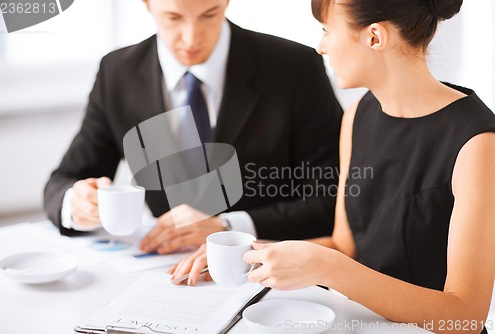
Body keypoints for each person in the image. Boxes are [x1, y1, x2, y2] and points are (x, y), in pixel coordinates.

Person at [172, 0, 495, 332]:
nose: (321, 46)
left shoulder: (477, 141)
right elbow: (345, 246)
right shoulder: (357, 116)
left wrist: (332, 269)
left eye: (327, 30)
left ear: (374, 37)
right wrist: (247, 255)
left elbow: (466, 316)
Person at [43, 0, 343, 253]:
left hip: (271, 267)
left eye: (209, 14)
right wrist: (77, 203)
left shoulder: (294, 67)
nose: (191, 38)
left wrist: (228, 227)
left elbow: (333, 197)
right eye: (173, 17)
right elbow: (63, 180)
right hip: (163, 269)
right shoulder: (117, 72)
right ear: (147, 4)